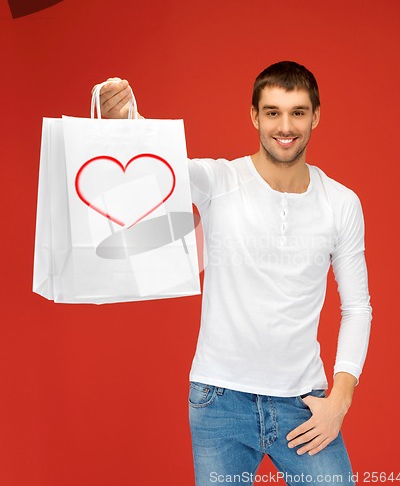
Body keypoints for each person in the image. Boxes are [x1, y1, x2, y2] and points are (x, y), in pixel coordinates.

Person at [94, 61, 372, 485]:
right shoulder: (219, 180)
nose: (285, 125)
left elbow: (357, 307)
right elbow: (163, 165)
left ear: (316, 116)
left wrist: (340, 400)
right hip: (219, 399)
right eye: (273, 111)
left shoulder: (342, 203)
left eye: (298, 112)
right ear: (254, 116)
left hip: (304, 402)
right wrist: (127, 120)